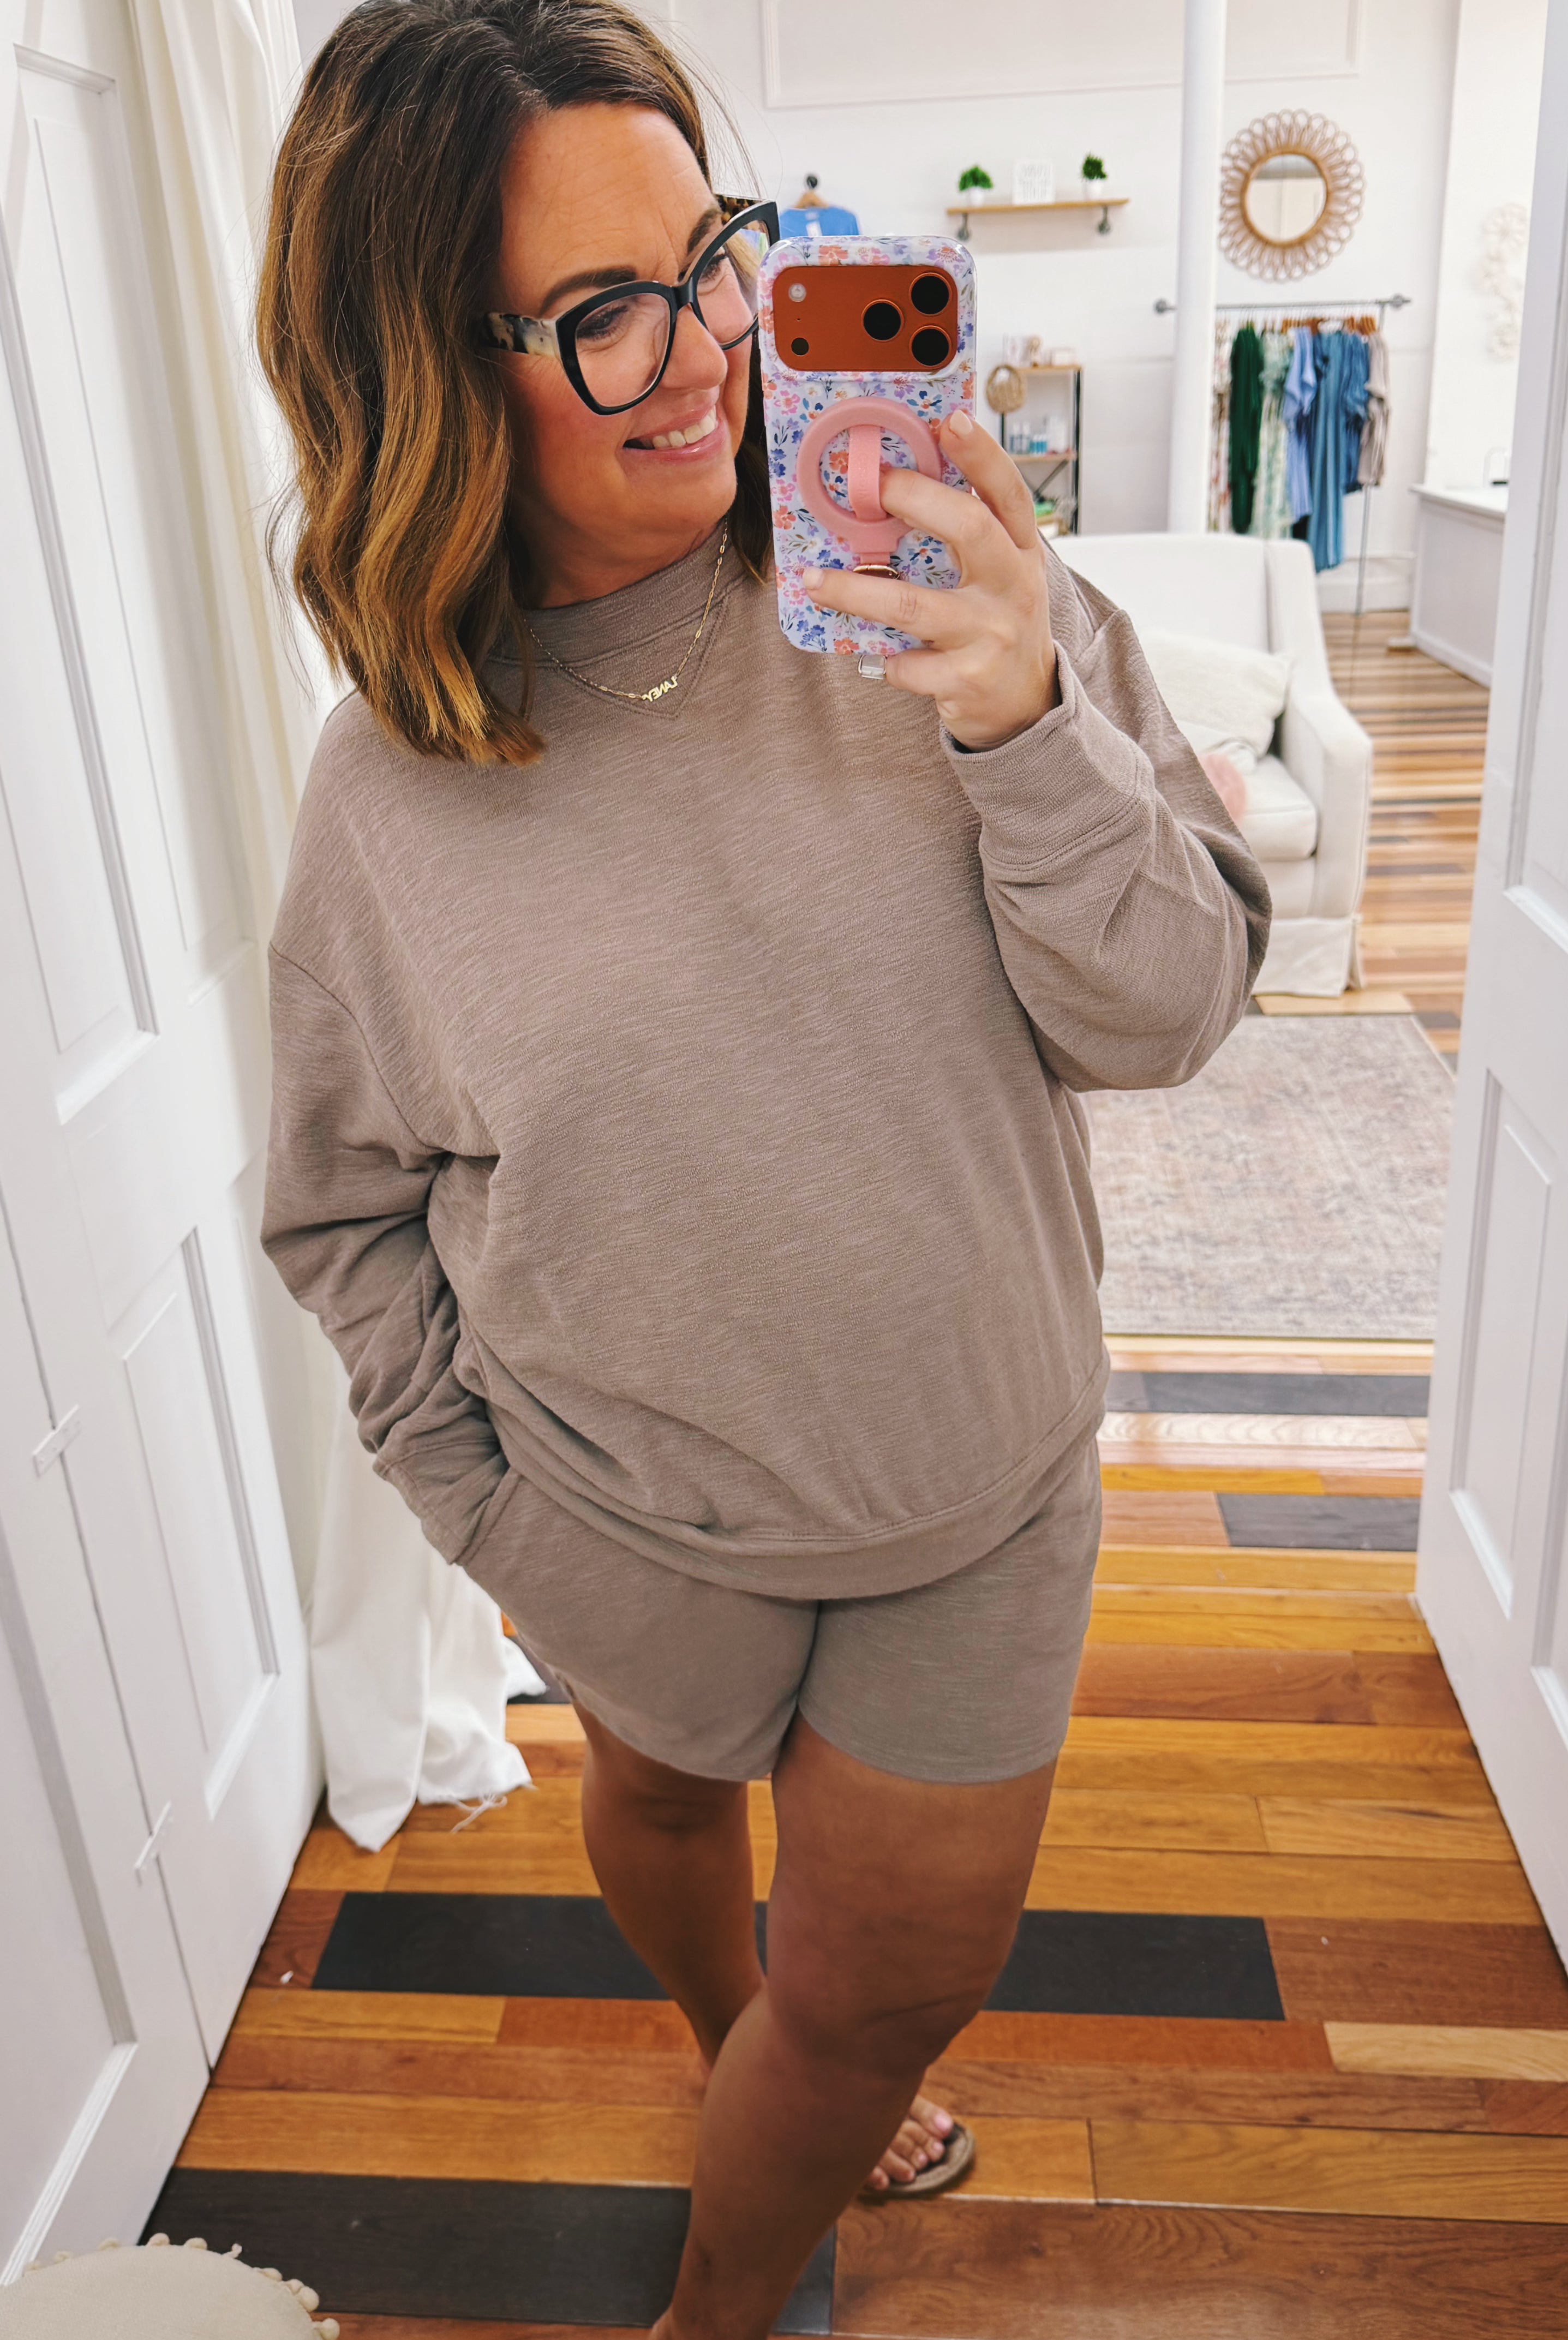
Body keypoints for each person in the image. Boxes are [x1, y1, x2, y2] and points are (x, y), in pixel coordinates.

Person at [256, 5, 1270, 2336]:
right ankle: (735, 2043)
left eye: (713, 253)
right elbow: (342, 1208)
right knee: (663, 1809)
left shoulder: (957, 579)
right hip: (618, 1520)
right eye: (604, 312)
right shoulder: (385, 790)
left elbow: (1168, 1010)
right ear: (421, 373)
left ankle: (720, 2288)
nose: (712, 345)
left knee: (884, 1986)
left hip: (968, 1497)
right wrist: (503, 1524)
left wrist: (1023, 718)